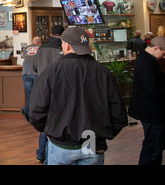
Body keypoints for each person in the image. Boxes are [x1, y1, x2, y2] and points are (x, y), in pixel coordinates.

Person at [29, 27, 128, 165]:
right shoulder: (103, 72)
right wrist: (102, 137)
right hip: (93, 144)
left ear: (67, 45)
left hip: (61, 144)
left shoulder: (51, 71)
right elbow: (119, 114)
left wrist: (47, 130)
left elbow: (36, 109)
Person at [128, 36, 165, 165]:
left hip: (151, 111)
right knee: (152, 147)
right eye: (163, 53)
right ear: (156, 48)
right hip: (151, 112)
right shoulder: (146, 62)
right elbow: (152, 88)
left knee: (155, 146)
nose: (164, 56)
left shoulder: (146, 59)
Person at [31, 24, 64, 162]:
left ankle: (41, 154)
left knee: (45, 123)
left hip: (43, 89)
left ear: (51, 33)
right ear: (62, 34)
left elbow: (34, 67)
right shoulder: (63, 48)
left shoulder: (41, 48)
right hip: (60, 89)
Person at [20, 37, 41, 121]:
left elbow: (23, 57)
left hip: (25, 73)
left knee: (29, 95)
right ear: (39, 42)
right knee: (37, 95)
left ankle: (30, 113)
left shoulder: (27, 48)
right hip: (35, 73)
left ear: (32, 42)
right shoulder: (40, 48)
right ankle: (29, 111)